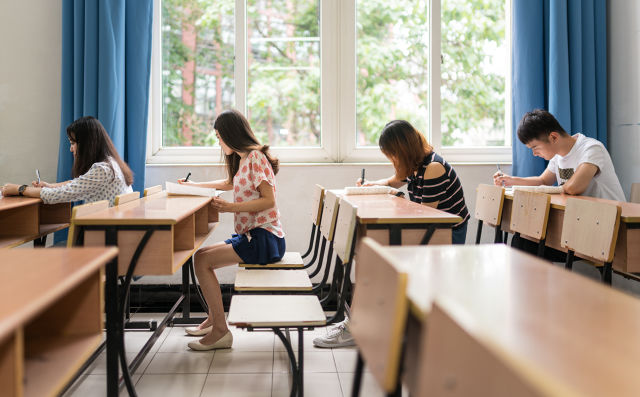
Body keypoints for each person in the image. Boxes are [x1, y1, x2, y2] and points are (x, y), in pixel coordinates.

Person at [314, 119, 470, 349]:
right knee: (369, 252)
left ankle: (359, 324)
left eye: (392, 155)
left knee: (375, 257)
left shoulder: (433, 167)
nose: (392, 160)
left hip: (445, 235)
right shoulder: (418, 164)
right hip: (428, 231)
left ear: (403, 150)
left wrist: (396, 198)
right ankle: (359, 323)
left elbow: (425, 215)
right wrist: (371, 185)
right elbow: (394, 181)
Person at [180, 109, 285, 351]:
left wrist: (230, 207)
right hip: (256, 236)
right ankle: (215, 320)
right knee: (201, 257)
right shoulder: (245, 159)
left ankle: (219, 330)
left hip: (264, 239)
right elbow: (229, 183)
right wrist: (195, 186)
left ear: (230, 134)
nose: (218, 142)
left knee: (202, 261)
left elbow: (269, 201)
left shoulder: (256, 158)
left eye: (218, 136)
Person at [494, 109, 625, 201]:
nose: (534, 154)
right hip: (585, 216)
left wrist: (545, 190)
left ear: (554, 137)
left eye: (535, 147)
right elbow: (543, 181)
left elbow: (574, 188)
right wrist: (511, 180)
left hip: (612, 219)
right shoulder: (558, 156)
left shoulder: (591, 148)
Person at [1, 116, 133, 206]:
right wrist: (51, 186)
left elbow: (58, 195)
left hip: (102, 236)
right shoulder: (111, 164)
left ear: (87, 144)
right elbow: (79, 183)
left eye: (73, 143)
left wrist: (20, 189)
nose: (71, 149)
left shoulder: (102, 170)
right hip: (112, 232)